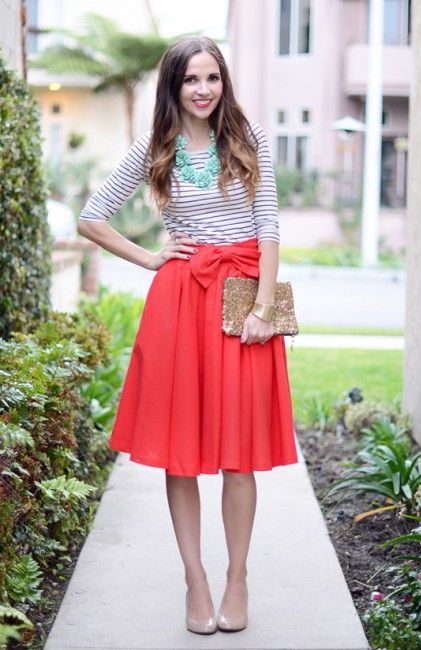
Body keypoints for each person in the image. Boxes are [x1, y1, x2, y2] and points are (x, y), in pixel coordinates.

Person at [78, 35, 298, 636]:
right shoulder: (155, 150)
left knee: (238, 454)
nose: (204, 90)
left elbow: (269, 226)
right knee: (181, 452)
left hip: (239, 304)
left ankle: (236, 578)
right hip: (180, 304)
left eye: (213, 78)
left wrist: (261, 306)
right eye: (191, 80)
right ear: (172, 87)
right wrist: (149, 258)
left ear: (224, 83)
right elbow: (91, 216)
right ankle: (195, 578)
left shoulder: (249, 143)